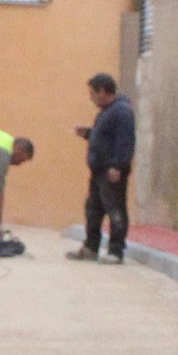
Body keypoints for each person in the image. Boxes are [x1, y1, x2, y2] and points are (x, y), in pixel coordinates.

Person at [69, 72, 133, 264]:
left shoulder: (122, 112)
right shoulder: (107, 111)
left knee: (115, 210)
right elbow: (105, 138)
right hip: (98, 172)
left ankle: (116, 251)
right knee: (93, 210)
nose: (91, 98)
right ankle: (91, 247)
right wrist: (88, 133)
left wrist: (118, 166)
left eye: (93, 93)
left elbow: (125, 142)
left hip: (111, 171)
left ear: (103, 91)